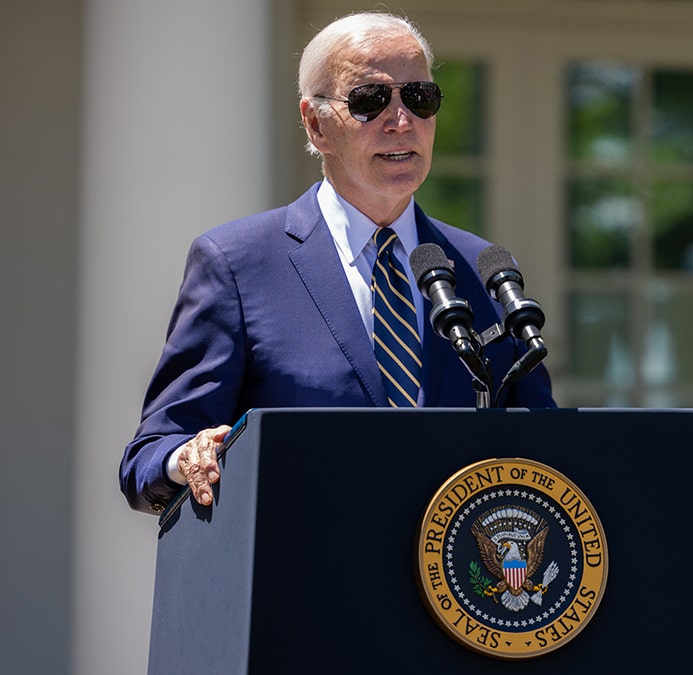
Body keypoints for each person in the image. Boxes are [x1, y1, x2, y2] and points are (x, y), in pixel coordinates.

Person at [120, 11, 554, 516]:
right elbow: (148, 457)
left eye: (420, 98)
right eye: (371, 101)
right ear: (315, 123)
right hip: (304, 577)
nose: (401, 121)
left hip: (454, 585)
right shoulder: (237, 264)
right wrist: (184, 458)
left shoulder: (481, 269)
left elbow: (546, 446)